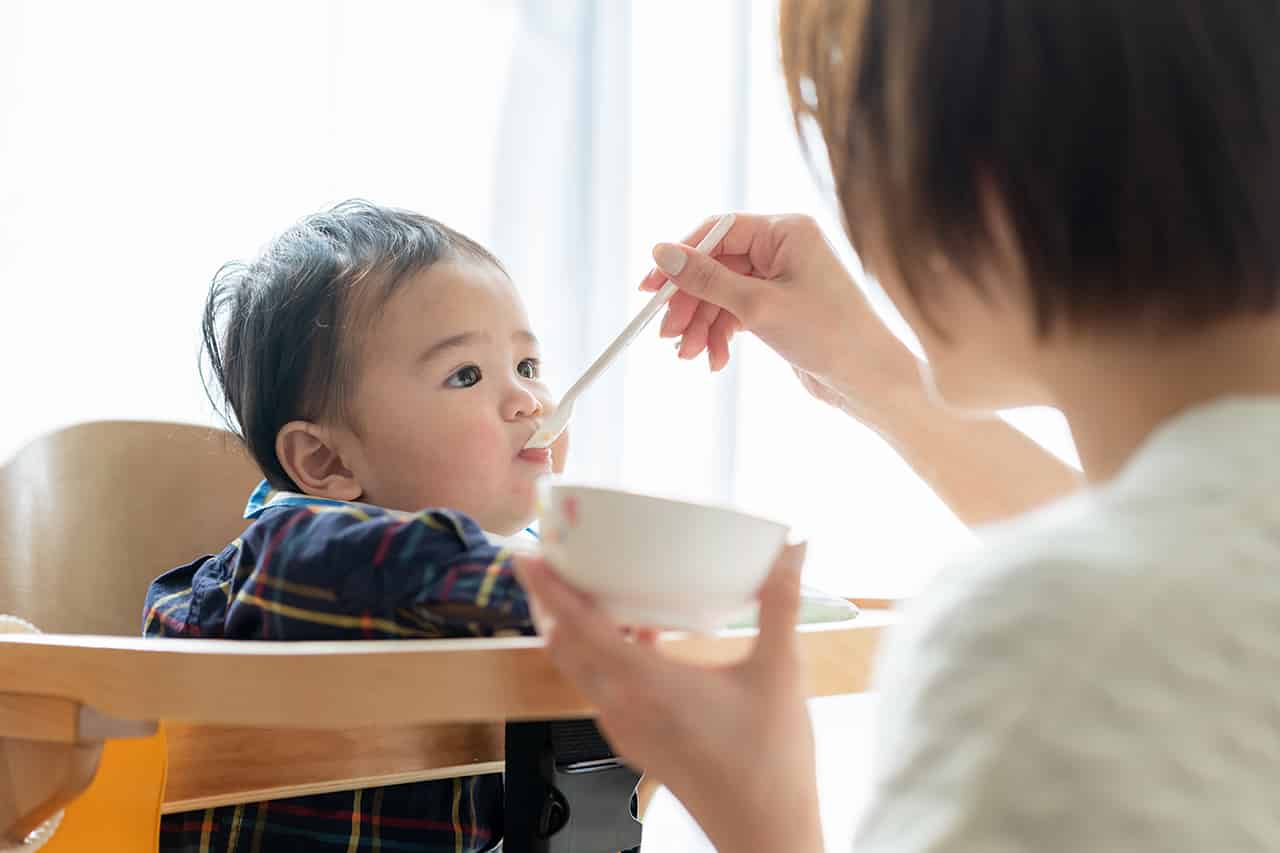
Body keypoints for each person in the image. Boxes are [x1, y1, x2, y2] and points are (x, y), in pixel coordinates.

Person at [516, 1, 1280, 850]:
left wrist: (762, 817)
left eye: (865, 150)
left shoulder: (1056, 640)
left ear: (984, 169)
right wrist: (873, 369)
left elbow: (1127, 594)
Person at [143, 199, 567, 853]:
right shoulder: (294, 561)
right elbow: (406, 568)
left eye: (528, 366)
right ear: (326, 460)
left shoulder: (507, 568)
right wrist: (593, 591)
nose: (529, 401)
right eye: (466, 375)